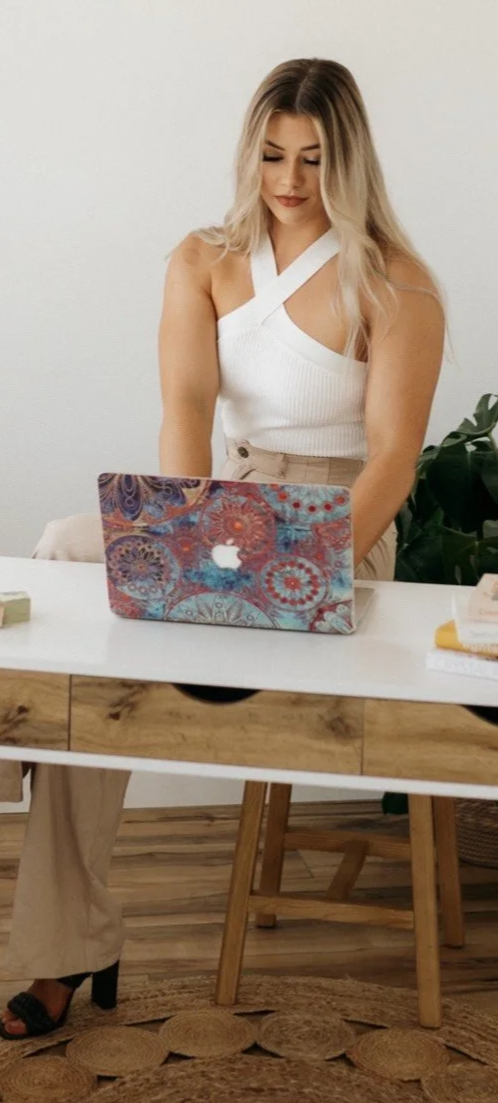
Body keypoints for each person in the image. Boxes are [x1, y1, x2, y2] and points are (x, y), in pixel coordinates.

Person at [1, 57, 445, 1039]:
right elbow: (187, 407)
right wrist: (185, 528)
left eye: (314, 159)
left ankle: (63, 946)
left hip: (337, 524)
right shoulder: (203, 257)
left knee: (101, 618)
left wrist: (309, 560)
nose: (288, 180)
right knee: (67, 556)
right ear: (251, 153)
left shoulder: (394, 282)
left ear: (350, 162)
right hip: (226, 504)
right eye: (273, 155)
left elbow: (393, 461)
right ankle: (66, 933)